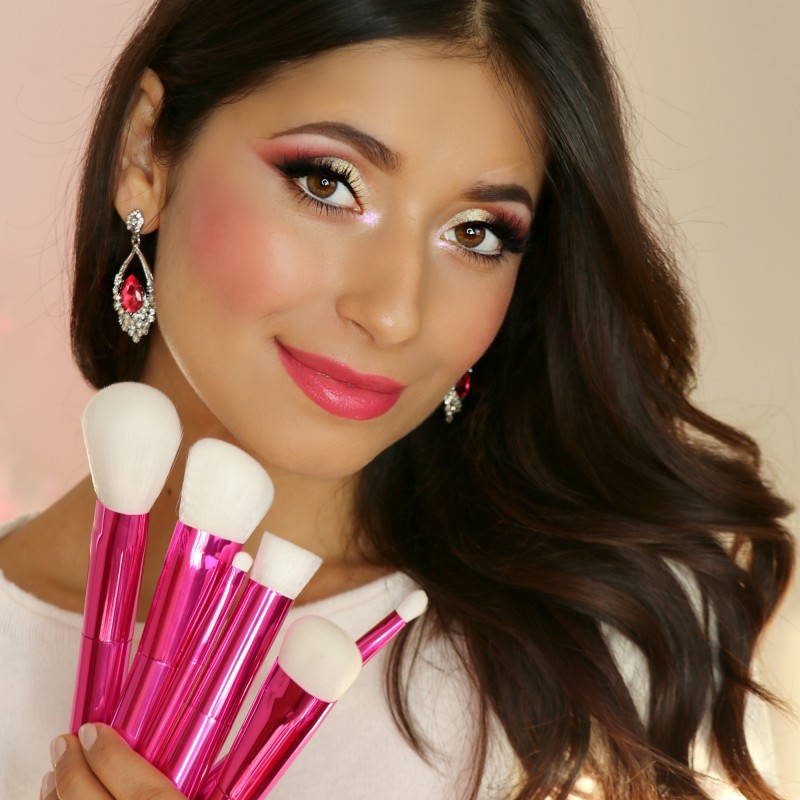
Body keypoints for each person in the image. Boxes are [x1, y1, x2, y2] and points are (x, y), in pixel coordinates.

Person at [0, 0, 793, 798]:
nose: (393, 312)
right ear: (145, 152)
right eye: (329, 182)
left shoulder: (618, 667)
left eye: (476, 232)